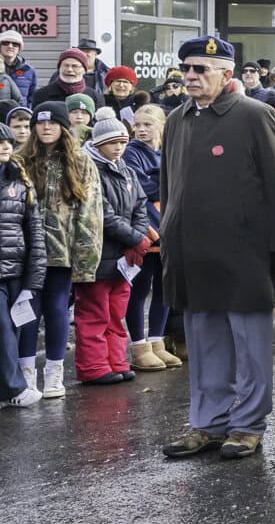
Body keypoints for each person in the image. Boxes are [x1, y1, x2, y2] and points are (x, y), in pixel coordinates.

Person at [158, 36, 275, 461]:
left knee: (250, 347)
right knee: (204, 345)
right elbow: (169, 186)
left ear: (227, 73)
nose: (191, 77)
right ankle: (209, 423)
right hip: (192, 254)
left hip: (244, 254)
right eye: (186, 69)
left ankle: (247, 425)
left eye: (200, 69)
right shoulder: (178, 119)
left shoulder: (255, 116)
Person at [17, 101, 100, 399]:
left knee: (56, 309)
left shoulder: (80, 161)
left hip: (62, 252)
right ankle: (26, 374)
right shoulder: (19, 161)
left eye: (52, 122)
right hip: (25, 253)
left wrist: (86, 259)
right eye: (40, 123)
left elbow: (90, 213)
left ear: (64, 127)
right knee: (27, 312)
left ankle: (53, 373)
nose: (46, 127)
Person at [71, 117, 150, 385]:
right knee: (95, 312)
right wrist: (136, 238)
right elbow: (102, 213)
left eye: (121, 142)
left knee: (116, 312)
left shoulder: (125, 169)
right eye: (112, 143)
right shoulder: (88, 168)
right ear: (98, 143)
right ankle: (93, 366)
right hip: (97, 254)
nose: (118, 148)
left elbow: (140, 204)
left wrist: (137, 236)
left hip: (123, 255)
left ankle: (116, 360)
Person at [123, 104, 178, 371]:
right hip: (145, 230)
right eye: (137, 124)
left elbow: (178, 182)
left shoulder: (166, 150)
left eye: (148, 124)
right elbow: (140, 187)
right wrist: (163, 181)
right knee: (140, 288)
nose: (141, 129)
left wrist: (161, 181)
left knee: (164, 288)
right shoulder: (131, 152)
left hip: (168, 229)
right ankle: (139, 345)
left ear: (161, 126)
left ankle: (157, 341)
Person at [0, 128, 45, 408]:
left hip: (15, 269)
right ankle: (15, 388)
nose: (5, 146)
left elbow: (34, 229)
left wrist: (34, 276)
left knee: (13, 328)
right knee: (2, 328)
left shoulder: (20, 180)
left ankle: (5, 391)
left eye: (6, 141)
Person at [0, 29, 36, 104]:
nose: (10, 46)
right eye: (5, 43)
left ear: (19, 49)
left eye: (15, 44)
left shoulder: (28, 70)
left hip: (20, 114)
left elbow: (32, 98)